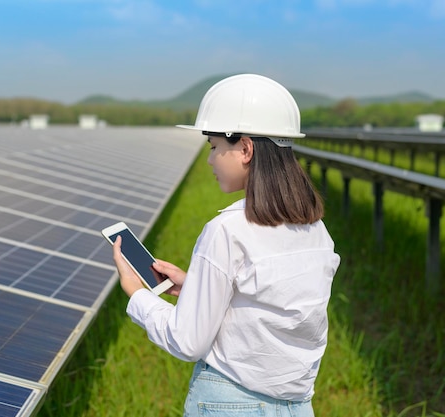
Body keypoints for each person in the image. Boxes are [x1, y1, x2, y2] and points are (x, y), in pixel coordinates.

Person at [112, 73, 341, 416]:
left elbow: (187, 341)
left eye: (215, 147)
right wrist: (196, 286)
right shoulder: (316, 230)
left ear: (246, 148)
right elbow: (274, 310)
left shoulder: (227, 230)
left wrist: (137, 294)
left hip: (230, 403)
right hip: (297, 407)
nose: (210, 160)